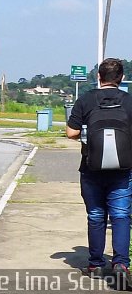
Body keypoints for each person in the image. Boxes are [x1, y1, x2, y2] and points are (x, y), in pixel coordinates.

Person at [66, 58, 132, 282]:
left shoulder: (85, 99)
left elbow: (71, 133)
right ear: (121, 78)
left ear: (99, 77)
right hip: (123, 170)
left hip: (91, 168)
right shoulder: (129, 101)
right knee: (121, 215)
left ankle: (95, 265)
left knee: (96, 215)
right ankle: (121, 264)